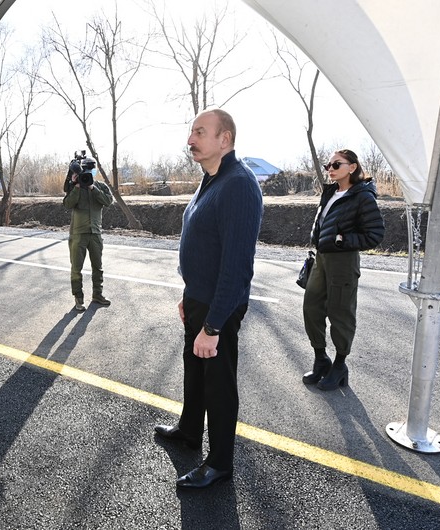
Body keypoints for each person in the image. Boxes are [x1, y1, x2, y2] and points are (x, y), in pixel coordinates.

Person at [154, 109, 263, 489]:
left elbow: (236, 267)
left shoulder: (239, 185)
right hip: (199, 299)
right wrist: (190, 295)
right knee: (194, 370)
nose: (190, 141)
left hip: (221, 306)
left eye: (200, 132)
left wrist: (213, 326)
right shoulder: (211, 179)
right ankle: (188, 430)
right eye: (191, 132)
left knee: (218, 384)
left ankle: (219, 463)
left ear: (225, 139)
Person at [302, 149, 384, 391]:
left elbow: (375, 235)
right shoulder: (330, 193)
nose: (330, 168)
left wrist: (341, 241)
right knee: (311, 308)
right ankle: (321, 359)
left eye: (336, 164)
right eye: (329, 164)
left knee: (340, 313)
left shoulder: (362, 197)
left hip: (343, 262)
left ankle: (339, 365)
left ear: (352, 167)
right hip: (322, 258)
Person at [63, 155, 114, 312]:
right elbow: (67, 204)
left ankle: (97, 294)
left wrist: (92, 187)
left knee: (97, 267)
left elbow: (108, 201)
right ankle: (79, 299)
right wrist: (76, 185)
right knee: (76, 268)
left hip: (95, 233)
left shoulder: (101, 186)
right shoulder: (75, 186)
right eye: (88, 169)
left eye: (92, 169)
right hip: (78, 234)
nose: (90, 172)